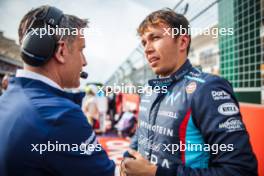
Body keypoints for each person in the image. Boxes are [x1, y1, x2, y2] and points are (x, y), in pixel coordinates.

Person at [121, 8, 258, 176]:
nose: (147, 49)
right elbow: (141, 135)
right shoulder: (149, 89)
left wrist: (156, 173)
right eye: (144, 43)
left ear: (182, 42)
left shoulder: (207, 89)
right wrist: (127, 157)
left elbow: (240, 171)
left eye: (155, 38)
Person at [0, 5, 115, 176]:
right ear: (61, 51)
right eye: (81, 50)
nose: (84, 62)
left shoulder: (8, 99)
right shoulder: (60, 115)